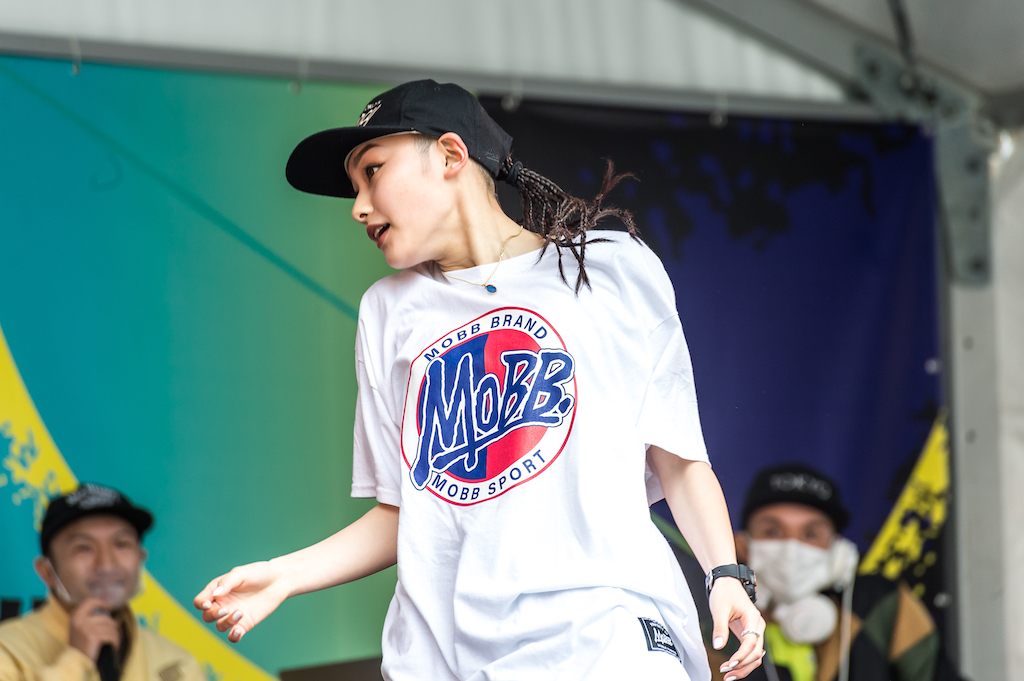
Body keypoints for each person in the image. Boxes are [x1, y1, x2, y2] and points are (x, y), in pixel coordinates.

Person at [193, 79, 765, 681]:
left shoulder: (612, 268)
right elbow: (406, 508)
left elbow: (678, 456)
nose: (358, 206)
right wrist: (285, 576)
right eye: (354, 187)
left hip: (606, 634)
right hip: (443, 656)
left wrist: (725, 575)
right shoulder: (388, 310)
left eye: (372, 171)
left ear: (450, 155)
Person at [714, 463, 961, 681]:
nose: (792, 548)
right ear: (742, 545)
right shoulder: (714, 627)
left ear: (838, 551)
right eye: (773, 531)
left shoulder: (881, 605)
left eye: (811, 534)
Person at [0, 483, 204, 681]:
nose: (106, 565)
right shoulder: (7, 650)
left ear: (141, 558)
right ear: (47, 572)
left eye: (121, 544)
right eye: (84, 548)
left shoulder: (177, 663)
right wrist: (76, 661)